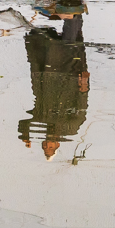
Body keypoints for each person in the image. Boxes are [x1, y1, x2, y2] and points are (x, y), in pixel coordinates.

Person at [18, 8, 90, 160]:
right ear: (57, 145)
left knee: (66, 44)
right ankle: (74, 11)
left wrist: (24, 135)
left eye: (45, 146)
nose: (47, 144)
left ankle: (71, 11)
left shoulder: (42, 119)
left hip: (49, 74)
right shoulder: (70, 129)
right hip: (69, 80)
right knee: (72, 45)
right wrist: (84, 87)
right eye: (50, 147)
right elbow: (81, 112)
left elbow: (23, 123)